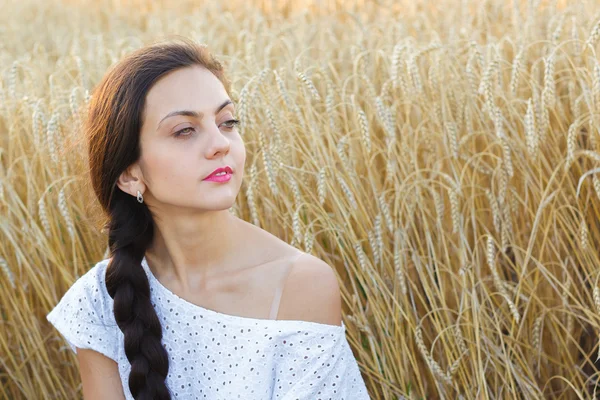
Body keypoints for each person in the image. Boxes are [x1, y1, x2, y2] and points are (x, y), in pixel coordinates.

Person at [46, 37, 371, 400]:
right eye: (185, 130)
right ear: (130, 175)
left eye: (228, 122)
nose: (221, 144)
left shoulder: (300, 285)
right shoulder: (100, 298)